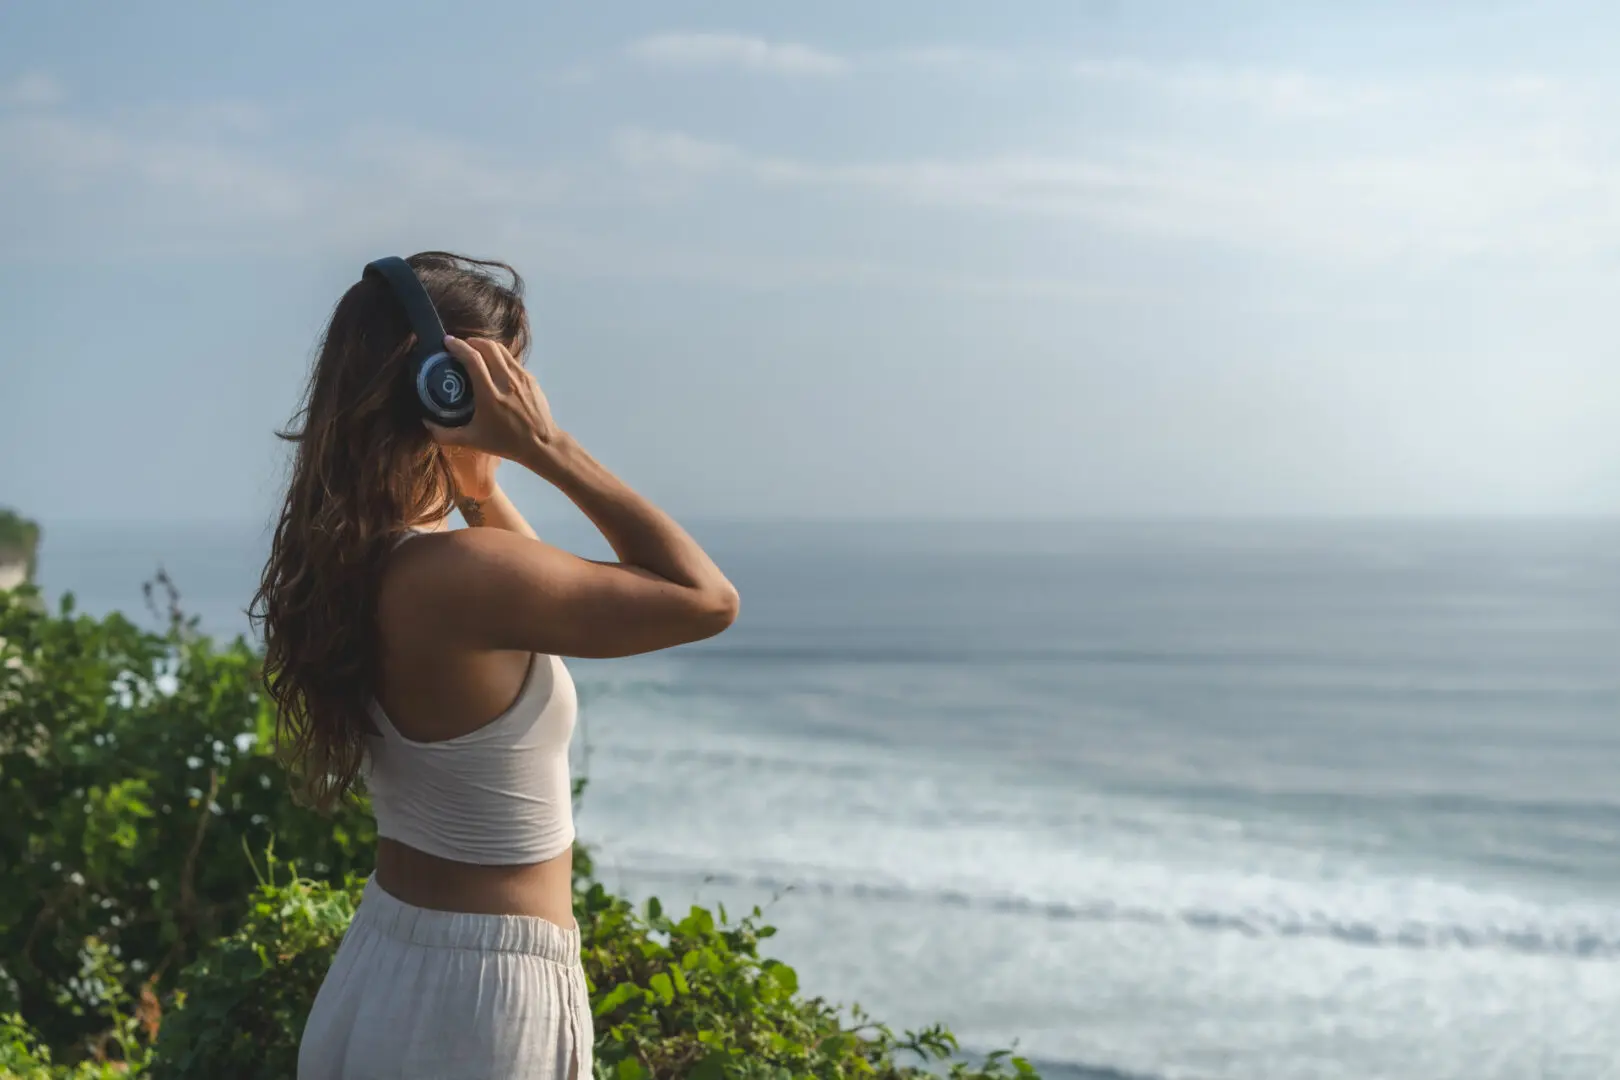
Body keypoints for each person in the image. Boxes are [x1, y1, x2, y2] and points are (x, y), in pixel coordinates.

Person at [250, 252, 740, 1079]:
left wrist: (478, 485)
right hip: (479, 1007)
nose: (520, 394)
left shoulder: (361, 564)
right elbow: (704, 599)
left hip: (391, 967)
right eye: (506, 376)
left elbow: (532, 605)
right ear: (447, 386)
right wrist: (546, 446)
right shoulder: (454, 576)